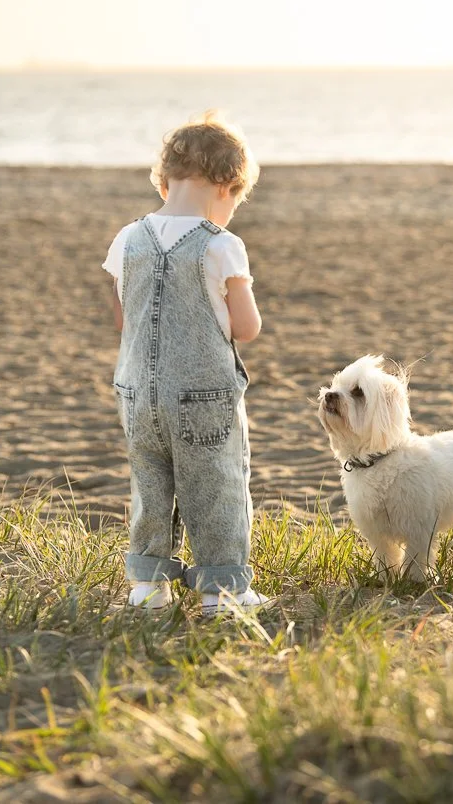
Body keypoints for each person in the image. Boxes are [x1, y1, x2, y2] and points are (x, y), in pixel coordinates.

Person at [103, 111, 267, 615]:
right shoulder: (221, 245)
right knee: (216, 485)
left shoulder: (128, 239)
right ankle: (225, 591)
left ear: (164, 181)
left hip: (136, 394)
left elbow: (125, 317)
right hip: (203, 397)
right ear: (227, 185)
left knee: (150, 485)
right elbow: (246, 327)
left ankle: (148, 587)